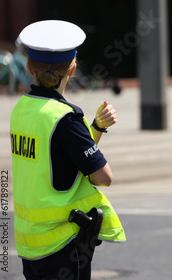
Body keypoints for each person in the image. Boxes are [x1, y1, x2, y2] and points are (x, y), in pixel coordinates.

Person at [11, 20, 126, 280]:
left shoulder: (21, 109)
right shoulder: (65, 118)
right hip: (61, 243)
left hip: (30, 243)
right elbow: (103, 177)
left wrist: (96, 127)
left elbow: (61, 158)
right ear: (73, 68)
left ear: (30, 67)